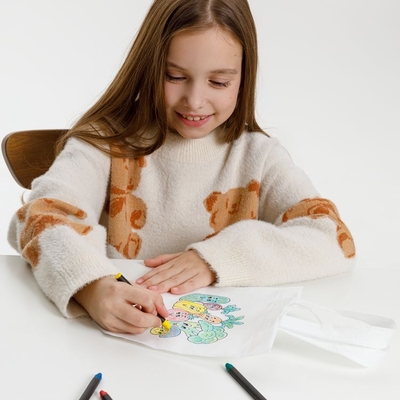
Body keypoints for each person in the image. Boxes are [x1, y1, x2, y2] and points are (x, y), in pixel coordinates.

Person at [8, 0, 355, 334]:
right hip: (109, 346)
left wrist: (217, 259)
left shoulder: (259, 156)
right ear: (148, 66)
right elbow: (38, 218)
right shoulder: (104, 143)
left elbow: (333, 239)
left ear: (244, 78)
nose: (195, 101)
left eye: (219, 82)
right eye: (174, 76)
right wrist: (93, 287)